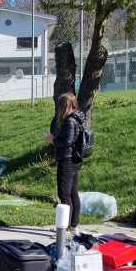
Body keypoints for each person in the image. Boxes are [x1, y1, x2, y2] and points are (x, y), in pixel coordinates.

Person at [43, 94, 87, 234]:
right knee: (73, 193)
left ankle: (65, 228)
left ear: (63, 106)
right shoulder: (79, 118)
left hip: (67, 160)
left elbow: (67, 142)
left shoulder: (69, 121)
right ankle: (74, 226)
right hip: (75, 159)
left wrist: (52, 139)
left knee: (64, 195)